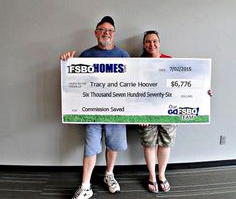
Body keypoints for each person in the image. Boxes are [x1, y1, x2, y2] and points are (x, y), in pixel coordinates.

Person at [60, 16, 129, 199]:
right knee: (91, 147)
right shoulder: (86, 55)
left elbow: (133, 84)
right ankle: (85, 186)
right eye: (102, 29)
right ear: (96, 33)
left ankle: (109, 175)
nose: (106, 33)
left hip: (116, 111)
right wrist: (68, 64)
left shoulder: (123, 56)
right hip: (92, 112)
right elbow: (76, 82)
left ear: (114, 34)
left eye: (110, 30)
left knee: (113, 146)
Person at [138, 30, 212, 194]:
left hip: (168, 111)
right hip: (146, 112)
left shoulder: (170, 61)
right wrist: (138, 114)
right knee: (149, 144)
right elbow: (134, 89)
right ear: (144, 44)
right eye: (148, 41)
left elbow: (185, 84)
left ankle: (161, 175)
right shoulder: (137, 63)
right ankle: (151, 176)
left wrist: (203, 93)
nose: (152, 44)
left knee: (165, 143)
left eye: (155, 41)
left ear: (159, 42)